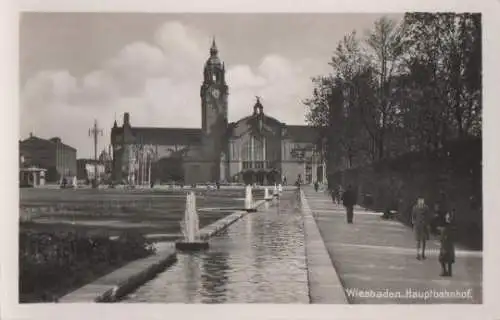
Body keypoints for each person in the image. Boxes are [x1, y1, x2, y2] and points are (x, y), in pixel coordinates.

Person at [411, 196, 431, 260]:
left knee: (424, 240)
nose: (421, 201)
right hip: (418, 226)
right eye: (420, 200)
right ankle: (418, 254)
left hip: (424, 226)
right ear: (418, 200)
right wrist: (414, 222)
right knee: (418, 240)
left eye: (422, 200)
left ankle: (423, 253)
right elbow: (413, 216)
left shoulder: (426, 208)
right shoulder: (415, 208)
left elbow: (428, 216)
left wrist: (427, 224)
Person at [439, 210, 456, 277]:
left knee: (442, 258)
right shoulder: (450, 225)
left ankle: (445, 271)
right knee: (449, 258)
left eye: (447, 215)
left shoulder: (448, 225)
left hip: (446, 244)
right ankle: (449, 272)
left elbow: (446, 235)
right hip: (450, 244)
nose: (446, 216)